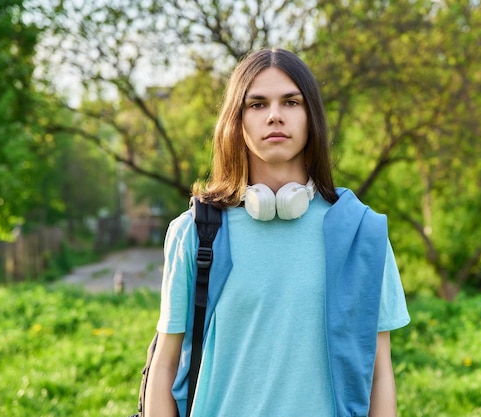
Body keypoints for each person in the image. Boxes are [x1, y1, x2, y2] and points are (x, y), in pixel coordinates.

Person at [144, 48, 410, 417]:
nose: (274, 116)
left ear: (310, 117)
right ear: (236, 122)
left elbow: (380, 372)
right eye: (257, 104)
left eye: (290, 102)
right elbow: (165, 367)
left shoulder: (360, 234)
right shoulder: (194, 233)